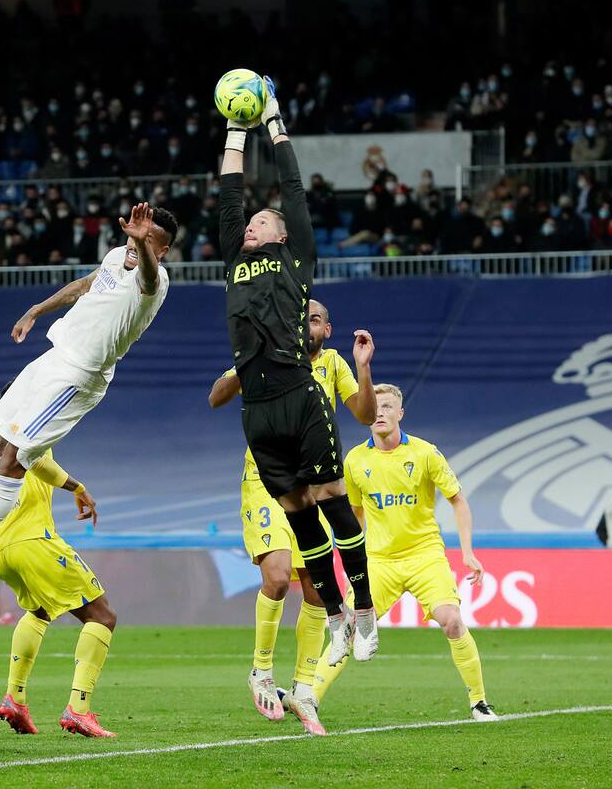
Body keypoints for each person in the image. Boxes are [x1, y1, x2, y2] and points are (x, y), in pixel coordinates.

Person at [0, 203, 174, 586]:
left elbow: (148, 278)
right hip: (54, 357)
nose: (138, 243)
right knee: (1, 444)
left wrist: (142, 244)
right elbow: (84, 285)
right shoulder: (117, 256)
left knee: (16, 458)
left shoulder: (156, 280)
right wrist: (36, 309)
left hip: (78, 376)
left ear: (162, 250)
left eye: (151, 240)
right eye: (137, 235)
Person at [219, 75, 378, 670]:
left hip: (298, 392)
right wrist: (236, 129)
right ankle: (336, 613)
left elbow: (293, 187)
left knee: (333, 499)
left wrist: (274, 122)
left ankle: (365, 608)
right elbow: (228, 194)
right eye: (252, 223)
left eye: (264, 222)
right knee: (297, 512)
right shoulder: (236, 257)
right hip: (256, 412)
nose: (254, 225)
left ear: (284, 235)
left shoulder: (297, 257)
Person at [208, 299, 375, 735]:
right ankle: (261, 670)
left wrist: (363, 366)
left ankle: (303, 688)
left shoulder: (335, 362)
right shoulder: (269, 356)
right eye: (302, 319)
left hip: (312, 484)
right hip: (266, 479)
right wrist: (248, 363)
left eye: (316, 319)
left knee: (317, 592)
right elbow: (215, 398)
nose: (308, 325)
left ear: (328, 330)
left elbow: (364, 415)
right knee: (278, 577)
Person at [313, 384, 498, 723]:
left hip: (424, 556)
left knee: (452, 621)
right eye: (375, 407)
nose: (380, 412)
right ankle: (310, 699)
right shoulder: (355, 460)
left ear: (400, 413)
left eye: (387, 406)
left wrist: (468, 552)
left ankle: (479, 702)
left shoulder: (426, 453)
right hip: (379, 562)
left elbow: (458, 500)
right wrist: (348, 562)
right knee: (349, 628)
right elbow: (354, 516)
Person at [0, 397, 111, 736]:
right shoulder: (28, 428)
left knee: (39, 611)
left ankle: (15, 698)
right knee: (101, 616)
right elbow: (35, 460)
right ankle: (78, 709)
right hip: (32, 541)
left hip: (0, 548)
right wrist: (77, 487)